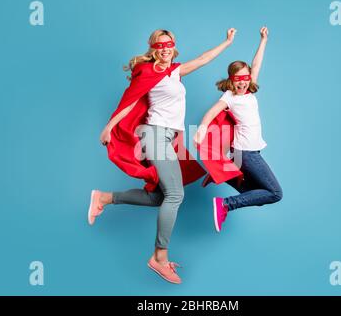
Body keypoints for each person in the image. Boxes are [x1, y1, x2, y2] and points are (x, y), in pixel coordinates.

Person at [88, 28, 236, 284]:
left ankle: (104, 197)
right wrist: (109, 127)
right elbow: (130, 102)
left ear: (174, 47)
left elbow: (202, 59)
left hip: (170, 138)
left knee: (160, 197)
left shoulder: (175, 72)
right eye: (160, 45)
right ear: (153, 49)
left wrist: (227, 42)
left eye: (169, 45)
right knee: (175, 195)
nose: (166, 49)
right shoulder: (148, 73)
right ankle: (159, 257)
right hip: (155, 135)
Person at [194, 27, 282, 233]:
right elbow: (211, 112)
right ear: (231, 80)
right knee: (275, 193)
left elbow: (256, 64)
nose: (243, 82)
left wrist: (263, 41)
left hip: (250, 152)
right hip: (246, 153)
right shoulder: (229, 97)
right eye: (238, 79)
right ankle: (225, 204)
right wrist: (201, 128)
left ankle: (227, 174)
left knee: (257, 194)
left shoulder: (250, 92)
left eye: (246, 78)